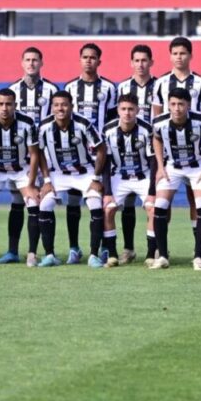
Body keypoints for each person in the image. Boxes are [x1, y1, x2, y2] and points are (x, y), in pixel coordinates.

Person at [35, 91, 107, 268]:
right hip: (58, 173)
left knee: (95, 205)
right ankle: (50, 254)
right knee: (44, 205)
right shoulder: (44, 126)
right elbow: (38, 152)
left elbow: (102, 149)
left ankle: (93, 255)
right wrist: (46, 180)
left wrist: (96, 178)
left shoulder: (83, 124)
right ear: (52, 107)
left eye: (64, 104)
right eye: (57, 105)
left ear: (72, 106)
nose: (60, 108)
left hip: (85, 172)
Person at [62, 43, 118, 264]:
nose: (88, 61)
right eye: (85, 57)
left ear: (99, 61)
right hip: (75, 153)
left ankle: (104, 247)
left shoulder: (109, 88)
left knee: (101, 201)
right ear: (80, 60)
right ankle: (74, 248)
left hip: (102, 153)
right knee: (73, 200)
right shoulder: (70, 87)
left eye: (93, 58)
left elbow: (113, 119)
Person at [151, 89, 201, 270]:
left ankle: (198, 256)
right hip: (172, 167)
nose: (177, 108)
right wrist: (160, 166)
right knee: (160, 206)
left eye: (181, 104)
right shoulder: (159, 122)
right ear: (168, 105)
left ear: (188, 105)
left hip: (197, 167)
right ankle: (163, 256)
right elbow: (156, 139)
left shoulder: (200, 120)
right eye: (173, 104)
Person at [0, 89, 41, 266]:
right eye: (1, 104)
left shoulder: (27, 122)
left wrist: (32, 184)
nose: (4, 108)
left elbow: (35, 154)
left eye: (8, 104)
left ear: (15, 105)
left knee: (33, 202)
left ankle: (31, 254)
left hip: (20, 169)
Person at [10, 46, 59, 267]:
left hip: (45, 155)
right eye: (27, 60)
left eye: (35, 60)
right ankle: (13, 250)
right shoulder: (11, 91)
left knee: (42, 201)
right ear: (21, 62)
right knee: (17, 200)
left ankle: (42, 251)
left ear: (42, 63)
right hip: (19, 155)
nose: (31, 63)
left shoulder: (51, 90)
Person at [101, 95, 157, 269]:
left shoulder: (147, 130)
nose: (127, 113)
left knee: (153, 208)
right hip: (119, 176)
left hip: (144, 175)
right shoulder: (108, 130)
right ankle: (112, 254)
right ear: (118, 110)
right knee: (108, 210)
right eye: (123, 109)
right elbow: (106, 161)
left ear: (138, 111)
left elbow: (154, 162)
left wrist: (152, 191)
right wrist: (108, 192)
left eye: (131, 109)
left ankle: (150, 254)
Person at [116, 44, 158, 264]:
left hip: (155, 148)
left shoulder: (160, 85)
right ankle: (128, 248)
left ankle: (159, 247)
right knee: (128, 201)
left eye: (145, 60)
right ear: (131, 63)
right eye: (137, 60)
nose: (141, 64)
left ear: (151, 62)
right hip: (126, 149)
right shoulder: (122, 86)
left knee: (158, 203)